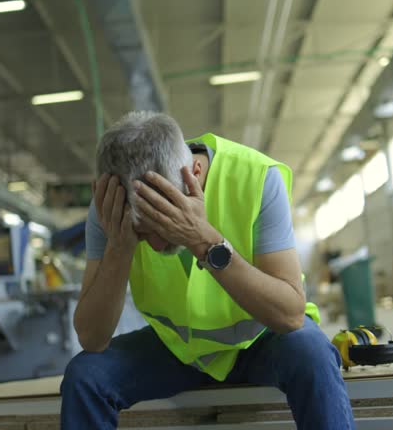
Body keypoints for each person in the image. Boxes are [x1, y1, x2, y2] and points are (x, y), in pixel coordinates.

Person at [61, 111, 354, 429]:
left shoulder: (256, 179)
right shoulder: (109, 209)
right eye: (140, 232)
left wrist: (204, 240)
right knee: (85, 377)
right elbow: (92, 338)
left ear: (194, 174)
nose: (155, 245)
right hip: (178, 349)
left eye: (162, 223)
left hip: (262, 338)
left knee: (312, 354)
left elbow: (290, 315)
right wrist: (119, 247)